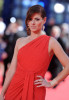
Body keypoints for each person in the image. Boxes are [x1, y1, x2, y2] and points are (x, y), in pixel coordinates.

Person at [0, 5, 69, 100]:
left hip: (35, 89)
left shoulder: (51, 42)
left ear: (44, 20)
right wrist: (2, 92)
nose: (32, 23)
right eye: (30, 19)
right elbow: (12, 69)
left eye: (37, 19)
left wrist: (52, 82)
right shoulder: (20, 41)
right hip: (14, 88)